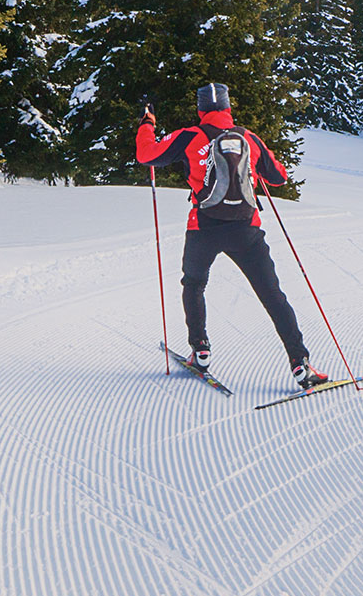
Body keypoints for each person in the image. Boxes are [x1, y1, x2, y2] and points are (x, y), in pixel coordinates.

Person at [136, 82, 329, 388]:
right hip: (246, 229)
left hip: (203, 228)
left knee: (194, 284)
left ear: (200, 111)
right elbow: (279, 177)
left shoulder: (189, 136)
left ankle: (200, 350)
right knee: (273, 296)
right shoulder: (248, 138)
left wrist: (147, 124)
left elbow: (146, 156)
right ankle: (300, 364)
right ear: (228, 108)